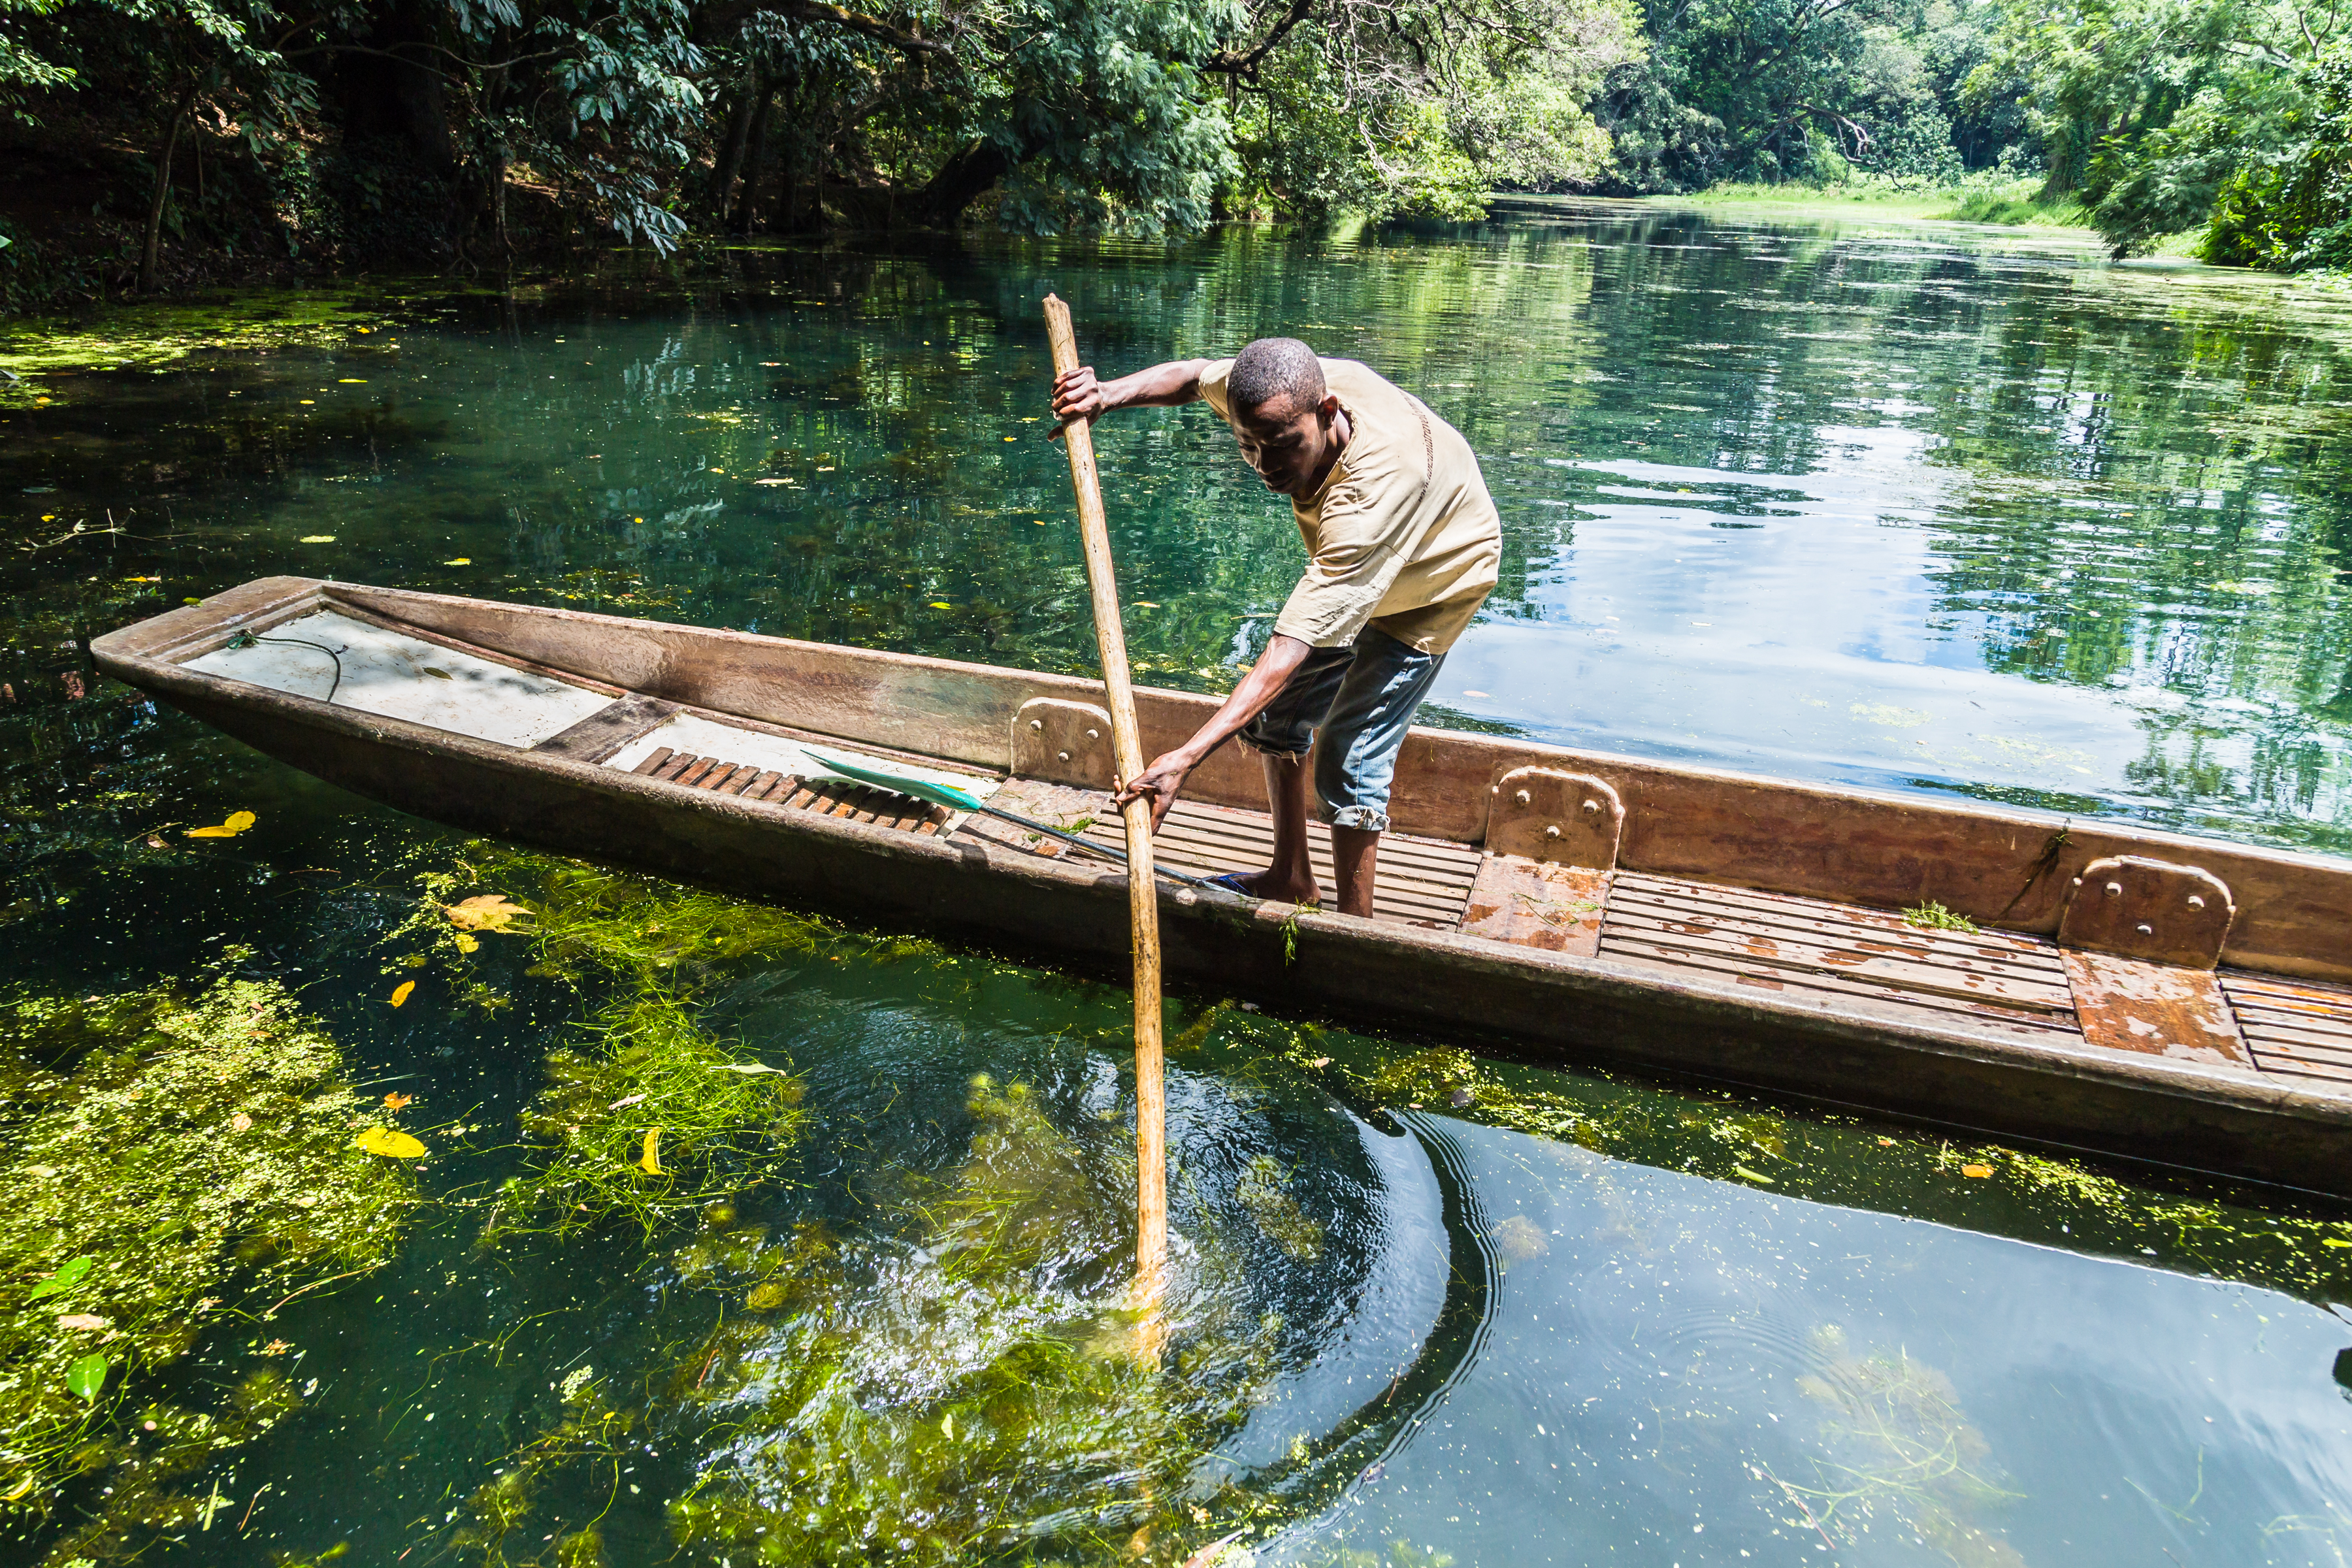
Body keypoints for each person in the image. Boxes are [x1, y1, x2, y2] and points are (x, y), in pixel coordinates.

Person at [1049, 336, 1501, 919]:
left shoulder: (1368, 500)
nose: (1265, 465)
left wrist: (1185, 757)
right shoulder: (1269, 392)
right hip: (1367, 560)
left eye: (1284, 447)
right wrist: (1107, 394)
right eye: (1249, 446)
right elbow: (1189, 376)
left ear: (1328, 412)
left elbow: (1289, 648)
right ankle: (1291, 877)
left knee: (1351, 753)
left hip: (1439, 575)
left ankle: (1355, 934)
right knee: (1278, 717)